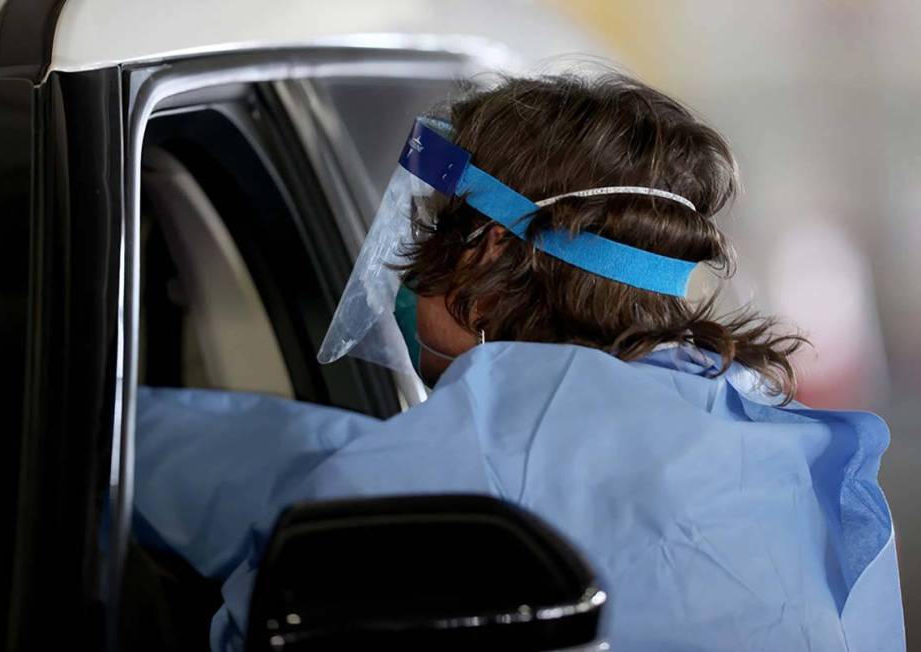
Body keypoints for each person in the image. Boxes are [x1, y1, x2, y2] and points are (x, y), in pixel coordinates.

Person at [133, 72, 905, 651]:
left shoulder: (510, 422)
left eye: (435, 224)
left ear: (489, 247)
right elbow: (318, 471)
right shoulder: (761, 432)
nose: (406, 266)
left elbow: (270, 608)